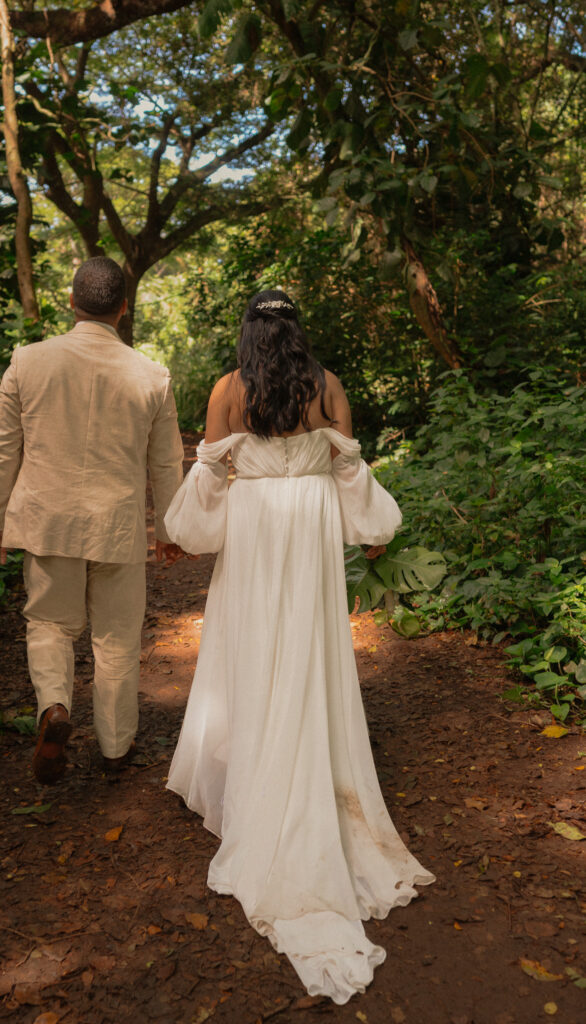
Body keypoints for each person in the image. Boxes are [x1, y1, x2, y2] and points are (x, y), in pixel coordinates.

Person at [163, 289, 435, 1003]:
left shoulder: (229, 389)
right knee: (308, 651)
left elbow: (209, 477)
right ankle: (309, 766)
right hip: (309, 528)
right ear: (296, 328)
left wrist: (198, 520)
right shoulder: (329, 386)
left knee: (253, 649)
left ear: (250, 328)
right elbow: (349, 474)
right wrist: (373, 526)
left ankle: (260, 773)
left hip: (256, 529)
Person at [0, 256, 185, 783]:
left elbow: (1, 450)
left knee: (49, 623)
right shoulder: (152, 376)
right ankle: (115, 748)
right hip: (116, 525)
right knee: (116, 638)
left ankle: (55, 708)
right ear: (122, 308)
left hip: (49, 522)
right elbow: (165, 463)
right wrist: (169, 530)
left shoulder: (28, 362)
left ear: (72, 303)